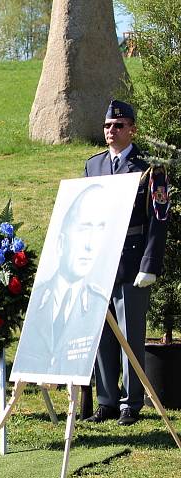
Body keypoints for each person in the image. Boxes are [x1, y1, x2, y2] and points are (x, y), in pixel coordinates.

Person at [83, 100, 168, 426]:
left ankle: (131, 403)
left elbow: (158, 219)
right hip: (100, 263)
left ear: (132, 129)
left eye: (118, 125)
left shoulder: (149, 168)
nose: (111, 131)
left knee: (131, 335)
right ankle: (106, 399)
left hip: (132, 261)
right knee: (102, 334)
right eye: (107, 126)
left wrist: (150, 263)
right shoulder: (94, 167)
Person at [14, 184, 111, 379]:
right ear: (60, 242)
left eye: (99, 230)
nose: (90, 245)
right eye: (84, 229)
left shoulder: (98, 303)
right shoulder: (39, 297)